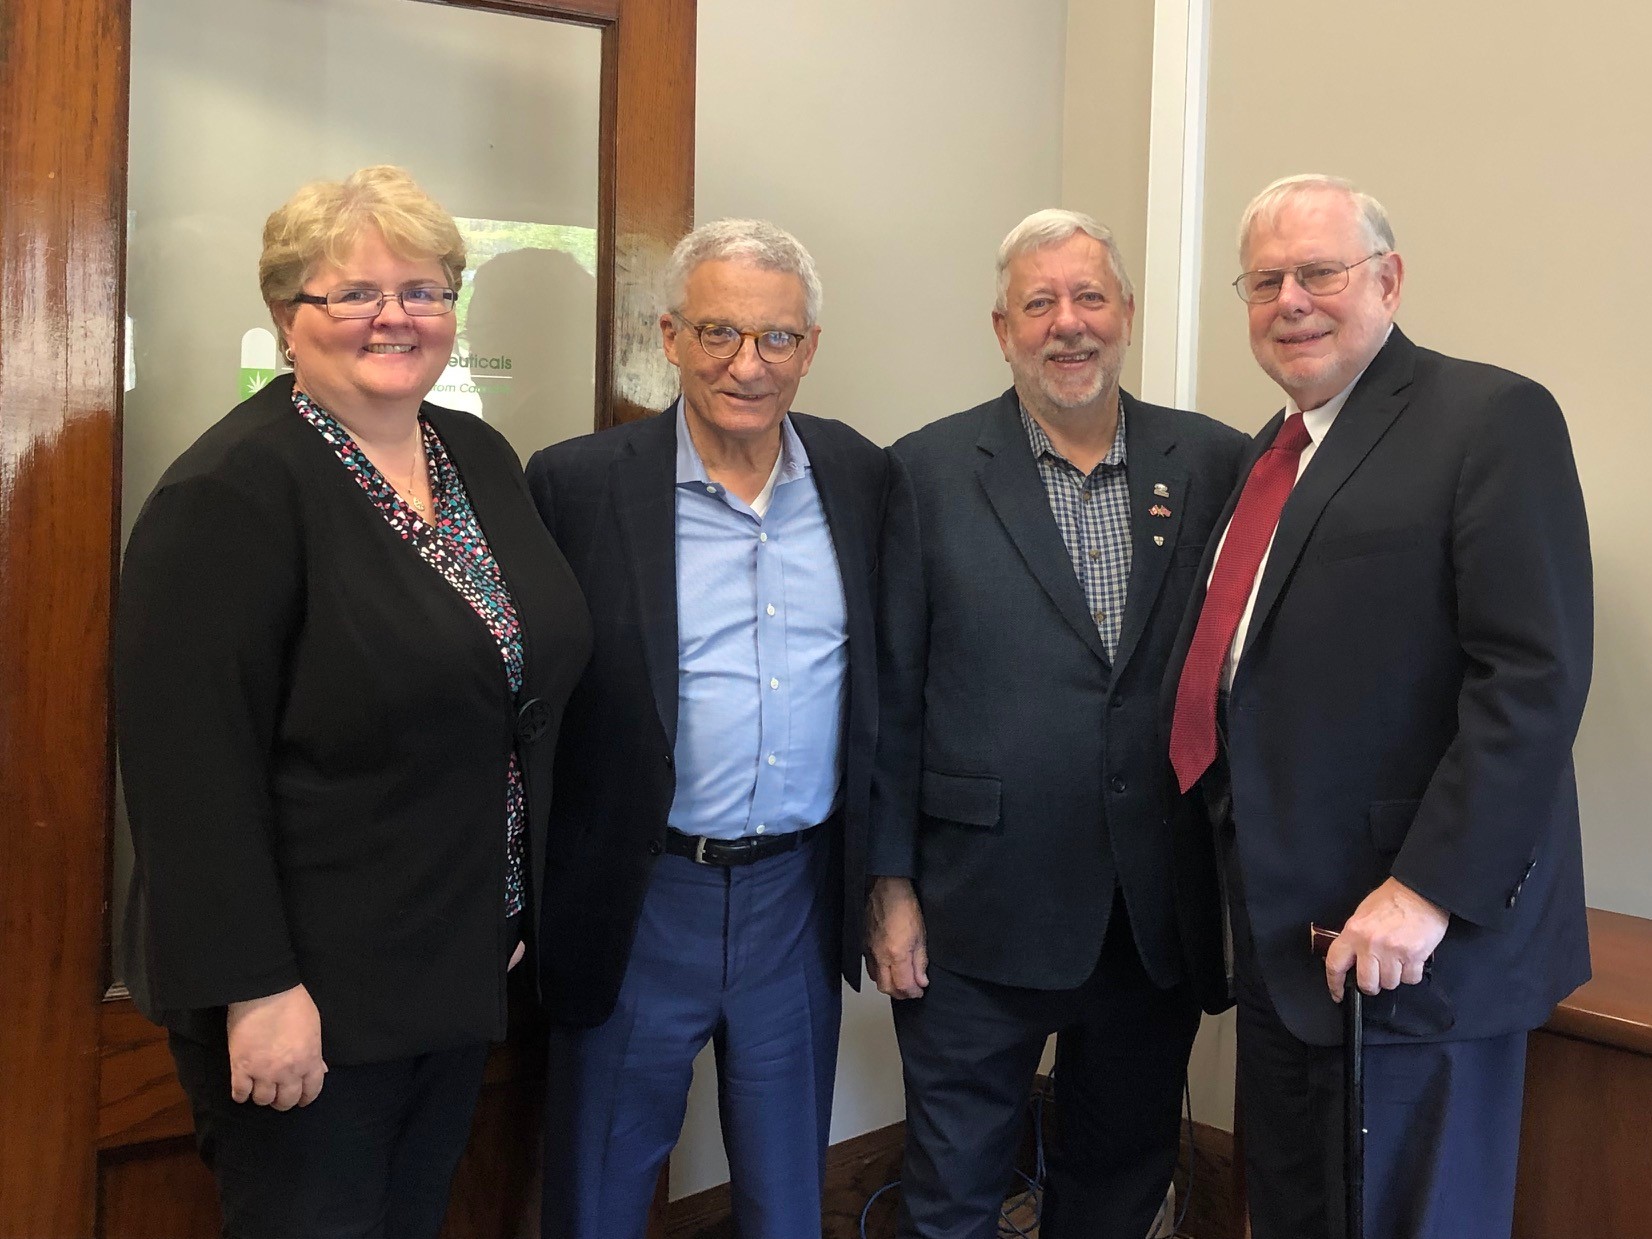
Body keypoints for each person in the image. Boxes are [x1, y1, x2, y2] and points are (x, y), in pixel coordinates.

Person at [115, 165, 592, 1239]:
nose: (396, 317)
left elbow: (511, 698)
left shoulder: (474, 455)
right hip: (310, 994)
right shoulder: (229, 493)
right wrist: (257, 990)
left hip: (452, 961)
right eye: (354, 293)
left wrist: (508, 900)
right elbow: (189, 772)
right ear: (288, 316)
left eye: (423, 290)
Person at [1165, 173, 1593, 1239]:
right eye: (1264, 280)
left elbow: (1530, 679)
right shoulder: (1266, 456)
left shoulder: (1488, 417)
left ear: (1388, 281)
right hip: (1281, 939)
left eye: (1318, 272)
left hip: (1413, 945)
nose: (1289, 300)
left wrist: (1425, 888)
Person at [867, 209, 1248, 1239]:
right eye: (1039, 304)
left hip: (1147, 909)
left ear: (1124, 314)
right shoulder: (924, 470)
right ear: (1002, 328)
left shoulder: (1216, 463)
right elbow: (891, 692)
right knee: (951, 1189)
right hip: (972, 908)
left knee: (1118, 1180)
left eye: (1088, 298)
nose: (1066, 325)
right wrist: (889, 886)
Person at [525, 218, 888, 1239]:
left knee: (784, 1201)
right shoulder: (575, 484)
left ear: (809, 349)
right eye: (719, 332)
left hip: (796, 899)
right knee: (597, 1193)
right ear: (670, 337)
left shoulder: (860, 479)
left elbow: (889, 692)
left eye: (776, 338)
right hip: (639, 895)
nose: (747, 364)